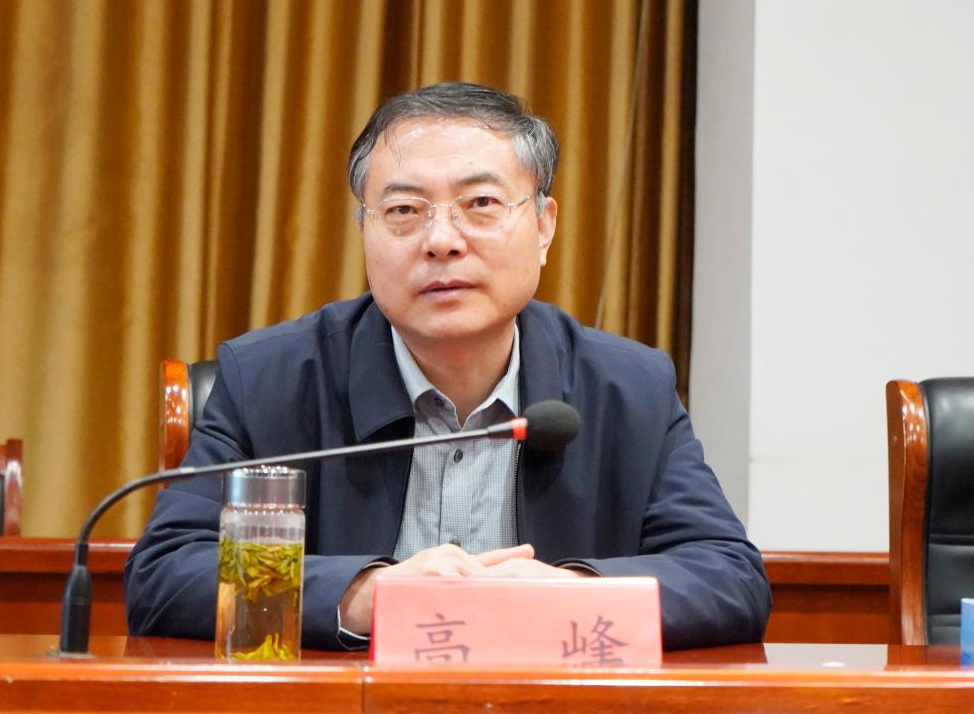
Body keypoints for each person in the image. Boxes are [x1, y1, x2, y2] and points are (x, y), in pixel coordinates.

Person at [124, 82, 771, 650]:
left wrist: (570, 592)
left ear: (544, 225)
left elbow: (730, 578)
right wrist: (364, 595)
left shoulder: (628, 388)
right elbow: (164, 576)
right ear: (364, 232)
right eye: (404, 211)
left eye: (481, 204)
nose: (441, 240)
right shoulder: (269, 380)